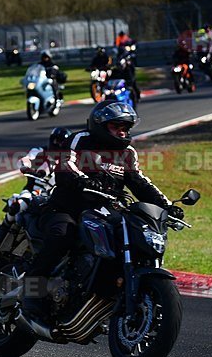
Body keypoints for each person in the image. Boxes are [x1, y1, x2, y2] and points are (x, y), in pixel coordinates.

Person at [20, 101, 182, 316]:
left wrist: (167, 205)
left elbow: (139, 182)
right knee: (62, 235)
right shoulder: (82, 139)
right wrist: (83, 180)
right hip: (67, 207)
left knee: (128, 236)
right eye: (117, 127)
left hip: (105, 211)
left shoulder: (127, 153)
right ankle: (32, 295)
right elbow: (66, 164)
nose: (122, 133)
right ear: (100, 125)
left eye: (126, 128)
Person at [17, 126, 73, 191]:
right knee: (22, 199)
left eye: (63, 143)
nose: (59, 145)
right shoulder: (39, 151)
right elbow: (26, 159)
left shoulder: (70, 159)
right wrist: (26, 167)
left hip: (56, 193)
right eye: (57, 141)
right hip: (33, 190)